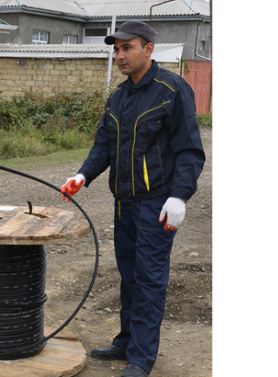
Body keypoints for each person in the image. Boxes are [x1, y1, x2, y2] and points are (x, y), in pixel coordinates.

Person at [59, 21, 205, 377]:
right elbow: (104, 145)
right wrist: (83, 175)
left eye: (127, 48)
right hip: (124, 203)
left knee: (150, 280)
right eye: (116, 49)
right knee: (129, 277)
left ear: (148, 49)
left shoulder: (172, 90)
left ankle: (141, 358)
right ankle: (126, 341)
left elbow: (189, 150)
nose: (120, 56)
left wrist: (179, 196)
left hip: (157, 205)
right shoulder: (119, 97)